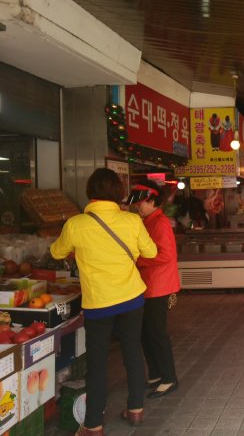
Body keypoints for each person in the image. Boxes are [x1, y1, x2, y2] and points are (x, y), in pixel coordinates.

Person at [50, 168, 157, 436]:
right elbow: (151, 252)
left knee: (97, 363)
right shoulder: (132, 221)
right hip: (132, 299)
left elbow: (56, 251)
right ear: (119, 193)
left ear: (90, 193)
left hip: (98, 303)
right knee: (132, 352)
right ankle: (135, 409)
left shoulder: (76, 224)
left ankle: (94, 424)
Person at [126, 180, 180, 399]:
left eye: (141, 203)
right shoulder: (149, 221)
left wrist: (138, 261)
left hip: (159, 286)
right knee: (146, 333)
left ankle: (169, 378)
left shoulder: (159, 223)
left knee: (157, 334)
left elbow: (165, 255)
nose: (138, 207)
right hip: (150, 285)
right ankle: (157, 374)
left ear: (153, 201)